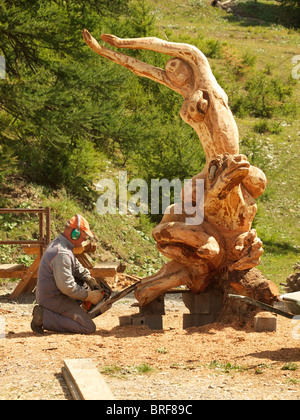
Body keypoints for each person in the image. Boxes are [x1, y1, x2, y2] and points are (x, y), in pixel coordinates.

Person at [31, 214, 104, 334]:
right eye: (84, 236)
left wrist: (89, 279)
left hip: (56, 293)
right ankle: (44, 317)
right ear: (75, 234)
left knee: (83, 284)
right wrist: (89, 296)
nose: (85, 239)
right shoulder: (61, 253)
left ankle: (73, 314)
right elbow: (68, 287)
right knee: (88, 327)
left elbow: (75, 266)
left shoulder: (62, 245)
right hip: (53, 298)